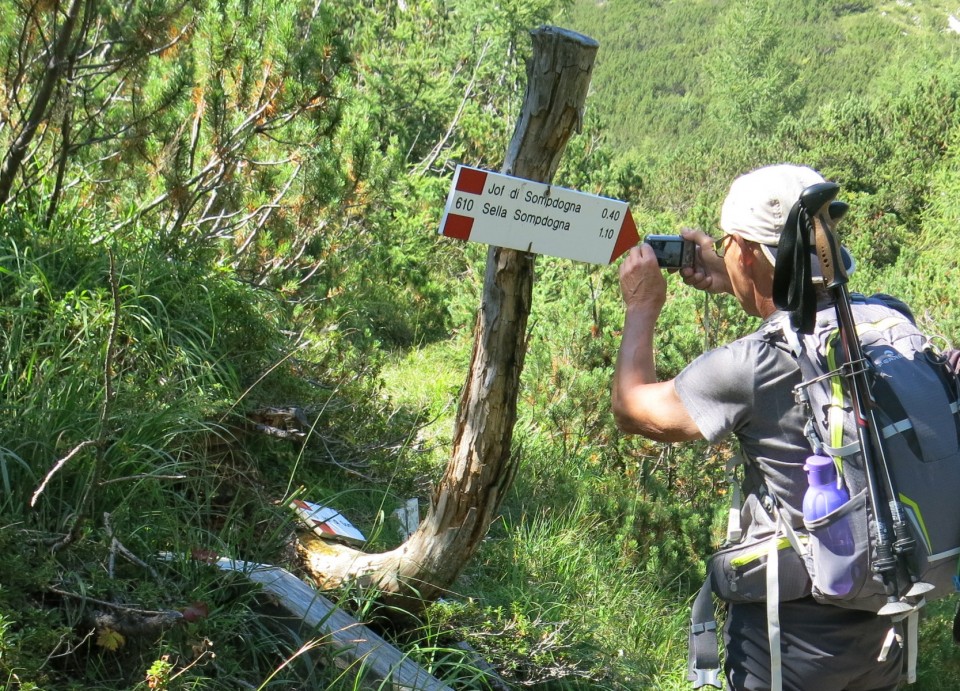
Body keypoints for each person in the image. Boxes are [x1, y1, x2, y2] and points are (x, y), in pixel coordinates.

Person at [611, 164, 905, 690]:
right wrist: (742, 279)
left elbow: (634, 408)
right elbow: (800, 319)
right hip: (889, 622)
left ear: (746, 249)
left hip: (790, 640)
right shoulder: (886, 319)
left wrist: (642, 306)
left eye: (729, 245)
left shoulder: (749, 365)